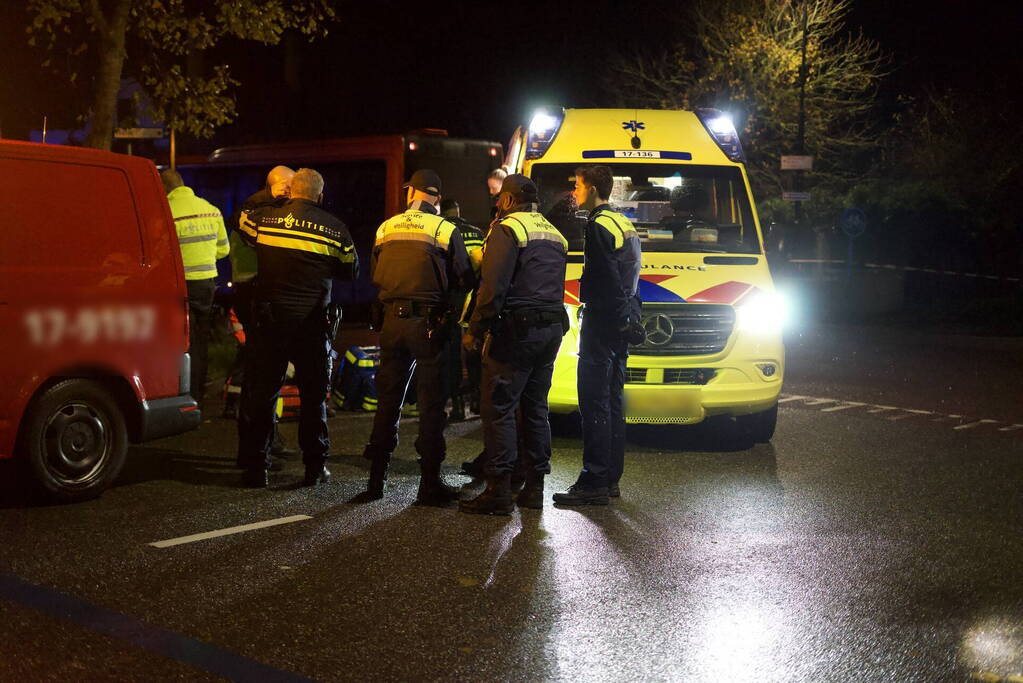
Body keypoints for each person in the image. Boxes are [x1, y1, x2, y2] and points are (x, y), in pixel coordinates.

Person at [236, 168, 358, 488]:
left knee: (263, 395)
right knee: (314, 397)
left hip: (270, 323)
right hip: (312, 325)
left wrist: (267, 196)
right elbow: (351, 270)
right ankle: (315, 468)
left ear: (291, 192)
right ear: (319, 196)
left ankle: (256, 469)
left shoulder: (265, 220)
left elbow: (243, 217)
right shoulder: (335, 229)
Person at [361, 169, 475, 506]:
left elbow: (374, 274)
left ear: (411, 194)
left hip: (391, 323)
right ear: (436, 197)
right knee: (431, 404)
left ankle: (375, 480)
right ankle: (429, 485)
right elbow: (464, 277)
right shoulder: (443, 228)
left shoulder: (386, 227)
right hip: (429, 323)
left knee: (388, 401)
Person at [460, 174, 568, 515]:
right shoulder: (554, 232)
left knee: (500, 407)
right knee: (535, 407)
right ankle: (534, 487)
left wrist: (476, 329)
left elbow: (493, 288)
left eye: (498, 201)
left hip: (516, 331)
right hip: (551, 329)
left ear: (507, 200)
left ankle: (498, 491)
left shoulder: (508, 228)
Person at [553, 165, 642, 506]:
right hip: (620, 323)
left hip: (603, 323)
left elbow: (605, 280)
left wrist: (611, 319)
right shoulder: (623, 223)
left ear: (591, 188)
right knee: (614, 402)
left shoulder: (597, 225)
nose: (574, 193)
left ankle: (593, 479)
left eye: (577, 185)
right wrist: (629, 320)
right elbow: (630, 277)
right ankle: (610, 479)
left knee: (593, 401)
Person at [161, 169, 229, 409]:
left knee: (178, 339)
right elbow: (224, 250)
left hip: (180, 285)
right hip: (207, 284)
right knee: (200, 339)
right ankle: (198, 393)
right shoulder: (211, 209)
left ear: (165, 189)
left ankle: (180, 391)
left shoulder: (166, 212)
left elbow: (161, 253)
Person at [440, 198, 484, 420]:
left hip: (454, 298)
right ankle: (478, 400)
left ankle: (457, 406)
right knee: (474, 349)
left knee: (452, 354)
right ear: (458, 210)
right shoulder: (476, 231)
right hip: (475, 297)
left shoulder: (442, 229)